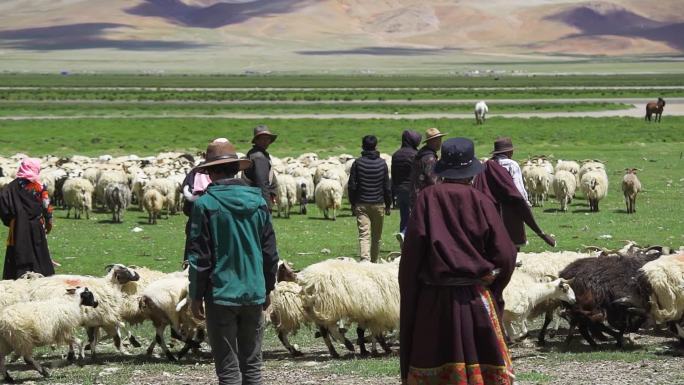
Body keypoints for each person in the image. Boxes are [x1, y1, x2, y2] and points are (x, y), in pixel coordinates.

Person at [400, 138, 517, 385]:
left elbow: (411, 258)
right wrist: (493, 286)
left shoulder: (426, 199)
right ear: (471, 171)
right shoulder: (482, 201)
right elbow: (506, 254)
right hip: (475, 300)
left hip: (434, 302)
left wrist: (414, 297)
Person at [186, 140, 279, 385]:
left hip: (221, 294)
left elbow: (200, 258)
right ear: (236, 169)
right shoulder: (260, 202)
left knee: (228, 370)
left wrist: (195, 295)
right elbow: (270, 252)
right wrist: (268, 287)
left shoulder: (205, 204)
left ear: (211, 172)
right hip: (253, 290)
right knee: (252, 367)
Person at [473, 137, 556, 250]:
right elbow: (518, 189)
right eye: (512, 150)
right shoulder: (512, 165)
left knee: (495, 238)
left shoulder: (487, 165)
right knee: (512, 239)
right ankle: (512, 261)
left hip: (491, 208)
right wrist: (525, 205)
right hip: (510, 208)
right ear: (508, 152)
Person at [0, 158, 55, 279]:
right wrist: (49, 223)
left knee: (17, 253)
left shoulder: (9, 188)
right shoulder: (39, 187)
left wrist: (12, 222)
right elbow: (47, 207)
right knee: (38, 253)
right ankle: (41, 280)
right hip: (36, 227)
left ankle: (16, 280)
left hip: (17, 228)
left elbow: (3, 209)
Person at [182, 138, 229, 261]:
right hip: (226, 225)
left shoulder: (195, 173)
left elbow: (187, 206)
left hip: (198, 224)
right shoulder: (233, 174)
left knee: (197, 258)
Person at [348, 135, 392, 263]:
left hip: (361, 203)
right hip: (378, 204)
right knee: (376, 236)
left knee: (364, 235)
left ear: (362, 146)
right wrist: (388, 205)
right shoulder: (382, 163)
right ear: (376, 146)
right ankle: (374, 261)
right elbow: (387, 187)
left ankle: (365, 260)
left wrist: (352, 203)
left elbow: (352, 185)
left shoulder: (357, 163)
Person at [391, 130, 421, 241]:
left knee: (404, 216)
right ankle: (406, 236)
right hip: (412, 189)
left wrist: (393, 190)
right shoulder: (416, 155)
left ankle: (403, 243)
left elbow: (393, 175)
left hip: (400, 189)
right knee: (414, 216)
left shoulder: (396, 155)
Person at [243, 125, 278, 211]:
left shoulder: (257, 154)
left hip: (255, 199)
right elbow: (262, 182)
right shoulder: (259, 157)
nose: (266, 141)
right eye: (263, 139)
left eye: (267, 139)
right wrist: (266, 206)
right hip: (258, 201)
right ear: (257, 140)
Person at [409, 127, 446, 207]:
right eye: (438, 140)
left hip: (417, 197)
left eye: (440, 140)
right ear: (431, 142)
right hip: (426, 200)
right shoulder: (430, 159)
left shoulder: (420, 155)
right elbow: (434, 182)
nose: (440, 142)